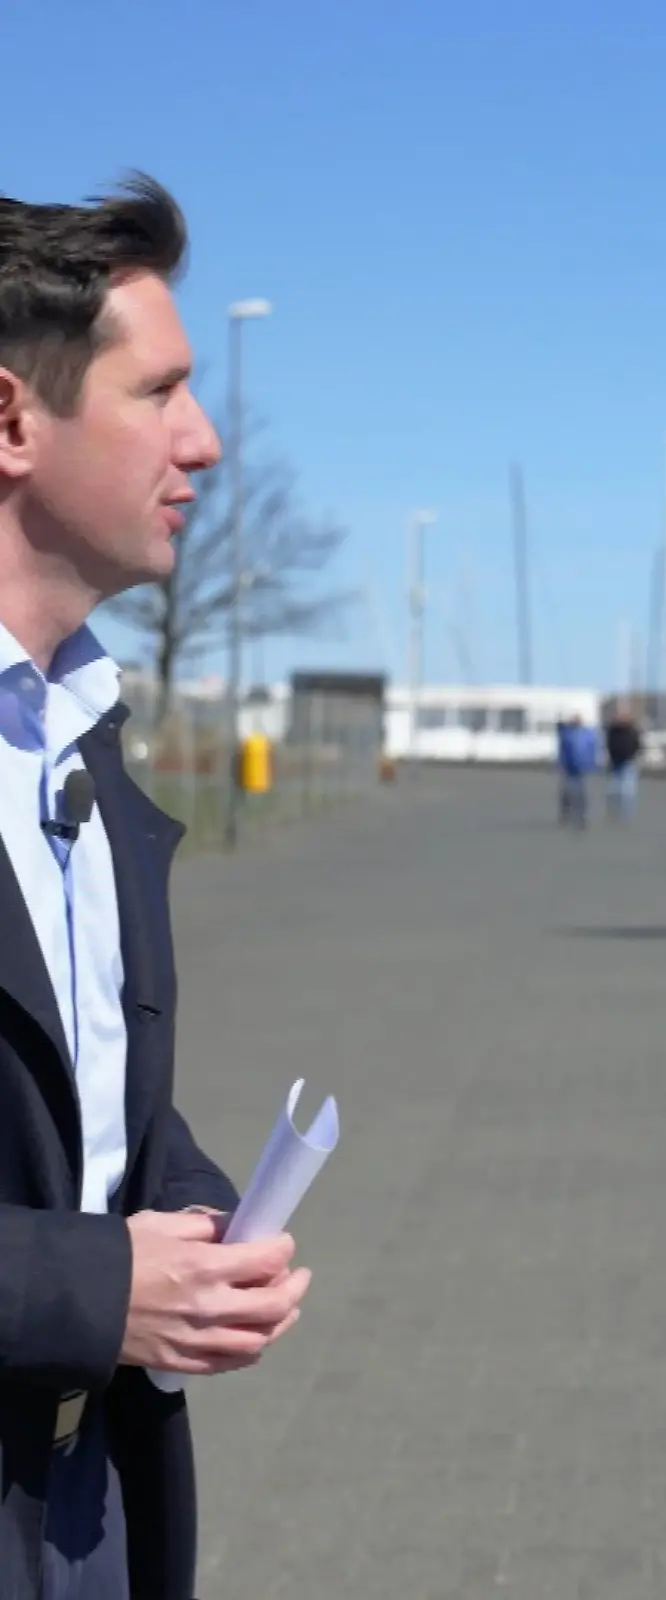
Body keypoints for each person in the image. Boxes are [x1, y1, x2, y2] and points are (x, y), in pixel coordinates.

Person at [0, 175, 311, 1599]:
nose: (207, 439)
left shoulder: (85, 742)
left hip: (94, 1494)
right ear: (12, 421)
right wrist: (102, 1288)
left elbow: (77, 1095)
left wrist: (191, 1215)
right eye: (161, 392)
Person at [556, 714, 596, 828]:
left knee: (581, 793)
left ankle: (581, 816)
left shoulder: (587, 734)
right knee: (567, 792)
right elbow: (562, 750)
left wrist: (591, 764)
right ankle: (566, 813)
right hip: (569, 767)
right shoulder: (566, 734)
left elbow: (591, 749)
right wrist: (561, 763)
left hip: (582, 767)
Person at [604, 703, 642, 820]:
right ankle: (615, 813)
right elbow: (609, 744)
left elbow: (637, 744)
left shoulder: (632, 730)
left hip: (628, 762)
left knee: (628, 791)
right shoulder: (612, 730)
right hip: (615, 763)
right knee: (613, 791)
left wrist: (632, 755)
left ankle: (626, 815)